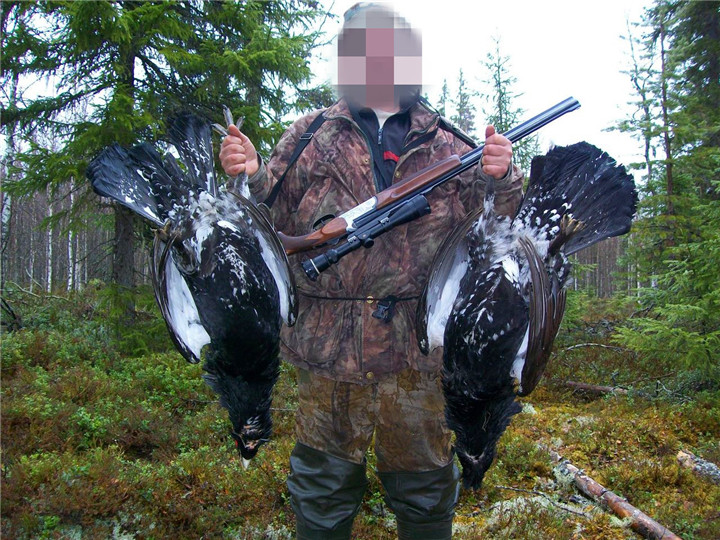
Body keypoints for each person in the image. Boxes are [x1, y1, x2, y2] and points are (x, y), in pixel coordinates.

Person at [220, 3, 523, 539]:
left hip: (418, 361)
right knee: (321, 495)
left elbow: (497, 231)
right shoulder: (310, 134)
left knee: (426, 497)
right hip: (329, 358)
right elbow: (265, 214)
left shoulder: (451, 145)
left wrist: (502, 178)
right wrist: (250, 173)